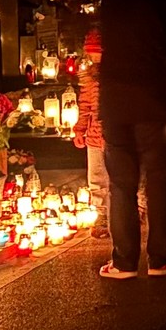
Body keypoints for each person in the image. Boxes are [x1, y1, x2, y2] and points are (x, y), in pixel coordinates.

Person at [96, 0, 166, 280]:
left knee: (121, 184)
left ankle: (123, 261)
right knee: (159, 179)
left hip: (114, 101)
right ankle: (161, 257)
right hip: (154, 101)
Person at [71, 27, 109, 237]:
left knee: (119, 176)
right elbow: (85, 105)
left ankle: (128, 212)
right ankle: (101, 214)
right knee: (96, 177)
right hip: (94, 135)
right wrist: (80, 129)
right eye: (91, 53)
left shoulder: (117, 75)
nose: (94, 57)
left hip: (114, 133)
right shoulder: (89, 78)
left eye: (97, 52)